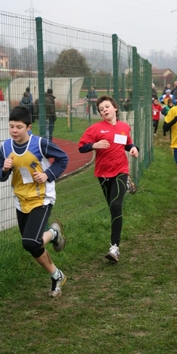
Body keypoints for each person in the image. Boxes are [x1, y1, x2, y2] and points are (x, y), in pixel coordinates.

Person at [0, 106, 69, 297]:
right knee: (33, 245)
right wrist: (4, 169)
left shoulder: (40, 144)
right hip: (21, 200)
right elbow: (1, 176)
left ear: (28, 127)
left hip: (42, 198)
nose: (14, 130)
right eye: (11, 126)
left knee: (29, 242)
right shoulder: (5, 147)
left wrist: (48, 174)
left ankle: (54, 233)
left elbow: (63, 158)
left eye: (19, 127)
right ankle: (57, 275)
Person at [78, 95, 139, 263]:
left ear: (115, 107)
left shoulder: (124, 127)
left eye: (107, 107)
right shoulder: (95, 129)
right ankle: (127, 185)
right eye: (101, 109)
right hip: (103, 174)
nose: (104, 110)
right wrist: (94, 145)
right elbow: (81, 147)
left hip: (121, 170)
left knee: (116, 206)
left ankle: (114, 247)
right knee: (112, 209)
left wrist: (133, 148)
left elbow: (127, 143)